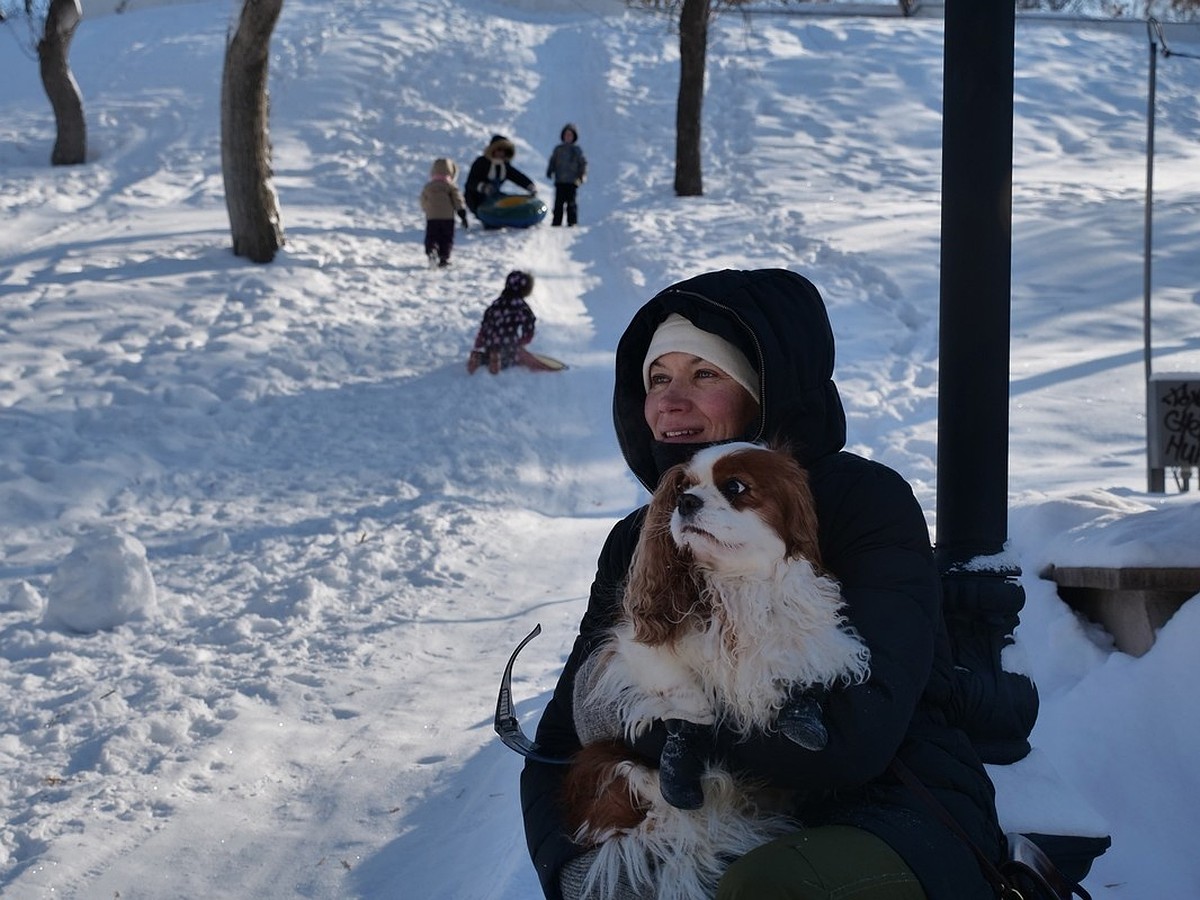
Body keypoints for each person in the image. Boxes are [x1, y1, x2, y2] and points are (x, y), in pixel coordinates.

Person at [519, 269, 1005, 900]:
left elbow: (849, 741)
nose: (670, 401)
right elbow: (560, 739)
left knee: (762, 886)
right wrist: (571, 868)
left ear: (764, 389)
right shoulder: (636, 537)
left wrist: (667, 734)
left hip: (887, 809)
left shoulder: (862, 501)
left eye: (705, 375)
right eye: (658, 379)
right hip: (695, 826)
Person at [468, 270, 538, 375]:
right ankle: (497, 360)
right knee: (513, 358)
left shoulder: (497, 302)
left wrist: (480, 339)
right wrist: (525, 338)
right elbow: (529, 322)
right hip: (507, 341)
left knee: (490, 351)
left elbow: (486, 321)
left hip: (489, 340)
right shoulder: (521, 307)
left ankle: (481, 357)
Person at [464, 134, 537, 223]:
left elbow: (517, 176)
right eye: (499, 150)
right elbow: (471, 182)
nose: (501, 153)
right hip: (476, 199)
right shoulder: (481, 162)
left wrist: (529, 186)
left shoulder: (504, 166)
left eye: (504, 151)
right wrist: (483, 187)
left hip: (494, 196)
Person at [419, 157, 469, 268]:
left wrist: (427, 209)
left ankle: (431, 250)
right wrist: (462, 213)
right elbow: (458, 200)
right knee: (446, 237)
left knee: (432, 236)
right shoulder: (451, 187)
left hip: (432, 217)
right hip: (447, 217)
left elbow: (423, 200)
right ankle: (444, 257)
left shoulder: (428, 187)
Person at [545, 123, 587, 227]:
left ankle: (572, 222)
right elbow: (553, 161)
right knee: (558, 203)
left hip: (572, 181)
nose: (568, 137)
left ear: (574, 137)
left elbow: (582, 164)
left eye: (570, 135)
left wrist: (581, 176)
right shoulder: (558, 149)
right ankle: (556, 221)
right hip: (560, 180)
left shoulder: (576, 150)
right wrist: (550, 171)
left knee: (571, 203)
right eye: (566, 135)